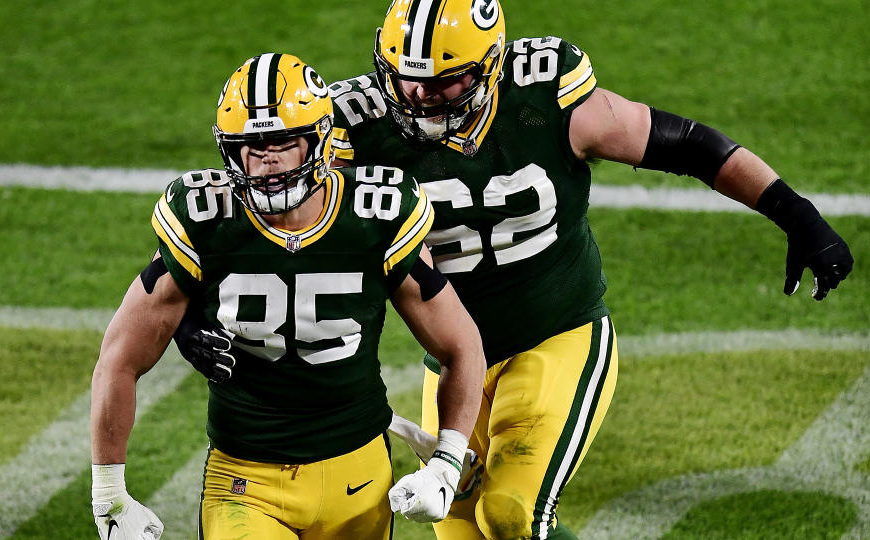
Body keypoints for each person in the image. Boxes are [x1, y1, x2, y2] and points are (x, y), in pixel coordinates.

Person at [178, 1, 854, 538]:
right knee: (459, 529)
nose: (418, 94)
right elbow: (255, 207)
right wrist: (196, 311)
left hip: (557, 334)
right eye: (405, 76)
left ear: (492, 65)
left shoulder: (546, 95)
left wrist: (796, 214)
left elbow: (687, 144)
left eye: (444, 79)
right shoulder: (352, 129)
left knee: (510, 514)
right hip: (453, 359)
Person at [89, 52, 487, 540]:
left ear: (318, 140)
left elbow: (461, 344)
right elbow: (119, 356)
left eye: (281, 141)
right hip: (245, 480)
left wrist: (446, 465)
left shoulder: (376, 212)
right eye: (250, 146)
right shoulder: (204, 218)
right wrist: (109, 493)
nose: (267, 158)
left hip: (358, 474)